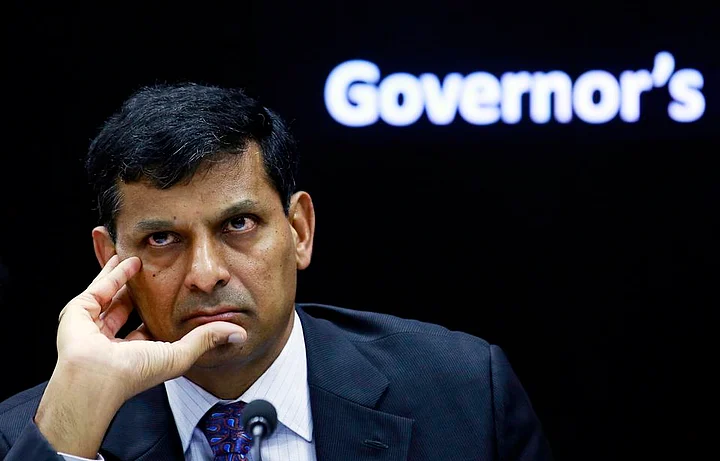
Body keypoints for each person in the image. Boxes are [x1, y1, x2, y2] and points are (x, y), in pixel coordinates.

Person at [0, 82, 554, 461]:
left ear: (299, 231)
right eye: (162, 239)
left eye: (238, 224)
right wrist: (73, 429)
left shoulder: (463, 395)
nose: (206, 274)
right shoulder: (30, 435)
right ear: (110, 260)